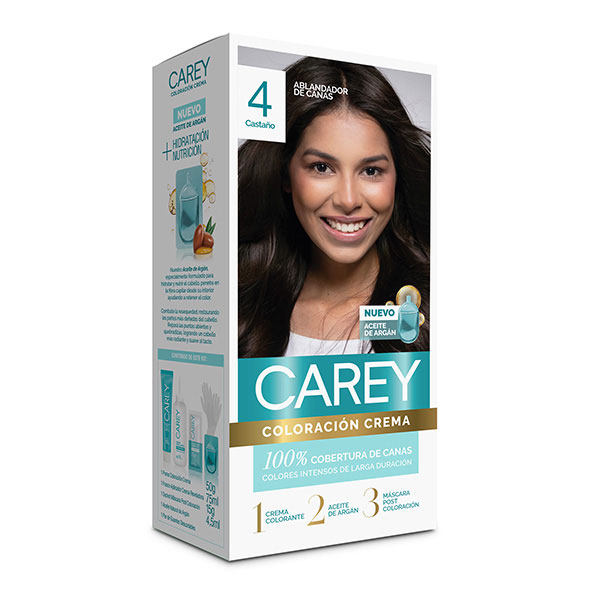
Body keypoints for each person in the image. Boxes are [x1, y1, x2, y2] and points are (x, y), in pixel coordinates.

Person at [239, 57, 430, 358]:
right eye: (322, 167)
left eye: (371, 171)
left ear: (398, 175)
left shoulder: (429, 307)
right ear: (285, 173)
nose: (348, 200)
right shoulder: (236, 310)